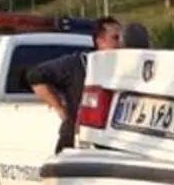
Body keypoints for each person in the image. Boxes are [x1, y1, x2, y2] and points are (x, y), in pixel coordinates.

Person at [26, 16, 123, 153]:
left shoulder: (124, 69)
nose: (121, 43)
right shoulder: (77, 64)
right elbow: (35, 76)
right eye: (115, 38)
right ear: (99, 41)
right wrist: (59, 108)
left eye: (122, 38)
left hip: (107, 141)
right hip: (74, 140)